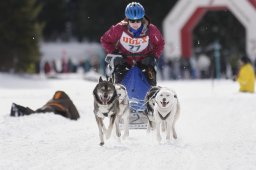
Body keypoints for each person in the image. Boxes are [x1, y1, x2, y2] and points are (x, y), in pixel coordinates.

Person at [100, 2, 165, 86]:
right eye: (132, 20)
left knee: (150, 79)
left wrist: (153, 56)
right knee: (119, 81)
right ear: (127, 19)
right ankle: (119, 95)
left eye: (138, 20)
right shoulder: (119, 28)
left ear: (142, 19)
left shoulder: (151, 29)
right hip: (124, 62)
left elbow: (160, 43)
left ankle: (150, 95)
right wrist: (114, 53)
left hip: (144, 62)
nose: (135, 24)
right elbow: (105, 40)